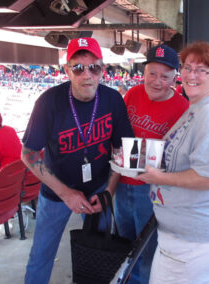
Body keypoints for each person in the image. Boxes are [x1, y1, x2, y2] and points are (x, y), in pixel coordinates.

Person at [21, 37, 134, 284]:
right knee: (41, 255)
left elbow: (121, 149)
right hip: (56, 194)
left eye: (94, 67)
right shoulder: (48, 102)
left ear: (102, 70)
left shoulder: (112, 99)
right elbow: (28, 153)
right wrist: (65, 194)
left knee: (101, 254)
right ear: (67, 70)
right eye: (78, 67)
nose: (87, 75)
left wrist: (108, 192)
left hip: (98, 189)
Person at [136, 41, 209, 284]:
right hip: (183, 235)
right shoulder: (198, 107)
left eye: (202, 70)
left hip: (196, 238)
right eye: (188, 68)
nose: (192, 75)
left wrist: (158, 178)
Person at [115, 44, 189, 284]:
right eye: (152, 74)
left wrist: (147, 151)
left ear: (175, 78)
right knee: (124, 247)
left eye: (165, 76)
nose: (157, 81)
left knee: (147, 253)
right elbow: (120, 138)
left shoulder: (183, 108)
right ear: (143, 73)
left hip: (152, 191)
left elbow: (180, 159)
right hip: (123, 183)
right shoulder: (133, 94)